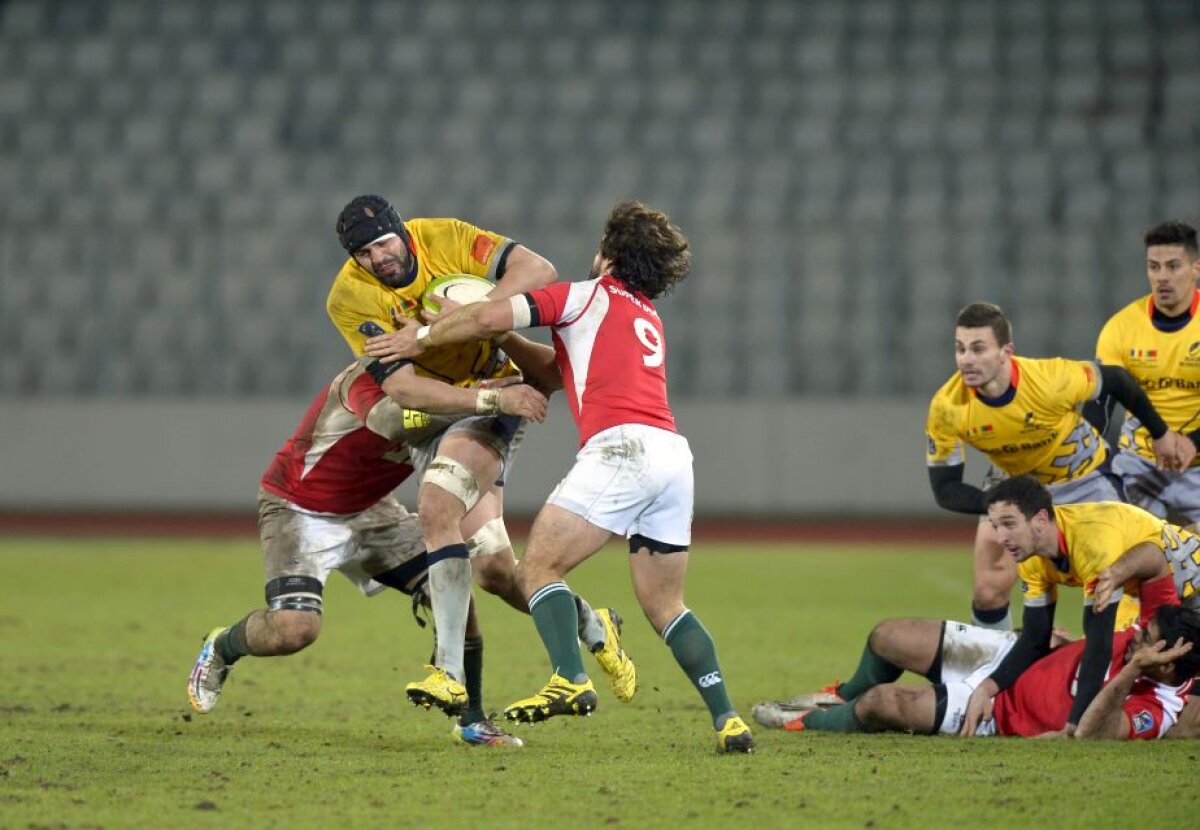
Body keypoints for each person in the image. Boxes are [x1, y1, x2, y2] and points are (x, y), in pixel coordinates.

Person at [364, 200, 755, 753]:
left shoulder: (584, 295)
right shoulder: (644, 315)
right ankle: (728, 720)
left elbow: (484, 315)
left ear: (610, 254)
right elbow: (552, 371)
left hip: (621, 449)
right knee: (668, 606)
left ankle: (570, 678)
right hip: (672, 457)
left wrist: (423, 338)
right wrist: (493, 341)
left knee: (538, 567)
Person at [328, 195, 634, 717]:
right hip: (450, 408)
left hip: (494, 392)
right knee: (493, 572)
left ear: (401, 232)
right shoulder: (350, 298)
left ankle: (448, 670)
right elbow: (403, 389)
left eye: (382, 243)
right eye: (364, 253)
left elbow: (537, 269)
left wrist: (476, 317)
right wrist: (484, 395)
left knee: (436, 508)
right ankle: (589, 622)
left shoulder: (442, 237)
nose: (378, 259)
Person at [186, 357, 548, 746]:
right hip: (299, 507)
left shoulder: (456, 383)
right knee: (295, 630)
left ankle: (471, 719)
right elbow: (393, 421)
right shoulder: (372, 375)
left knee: (453, 589)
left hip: (374, 511)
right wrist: (484, 401)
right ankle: (222, 646)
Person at [925, 302, 1192, 631]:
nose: (967, 359)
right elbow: (945, 489)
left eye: (978, 348)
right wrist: (1002, 507)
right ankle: (994, 674)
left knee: (1123, 577)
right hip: (1015, 485)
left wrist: (1161, 434)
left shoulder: (1051, 380)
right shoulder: (947, 407)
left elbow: (1119, 381)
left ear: (1005, 352)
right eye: (960, 348)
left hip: (1084, 478)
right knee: (988, 590)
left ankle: (1160, 657)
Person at [749, 577, 1198, 740]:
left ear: (1168, 662)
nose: (1136, 634)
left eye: (1146, 640)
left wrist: (1128, 676)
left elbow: (1094, 734)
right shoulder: (1151, 634)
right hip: (1013, 658)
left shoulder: (1157, 710)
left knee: (881, 704)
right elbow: (1155, 562)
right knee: (887, 635)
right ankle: (837, 695)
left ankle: (806, 721)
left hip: (997, 714)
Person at [1093, 220, 1200, 530]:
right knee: (1128, 549)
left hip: (1197, 462)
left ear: (1195, 269)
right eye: (1154, 267)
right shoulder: (1121, 327)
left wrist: (1194, 441)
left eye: (1173, 266)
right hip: (1139, 460)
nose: (1162, 277)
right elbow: (1100, 405)